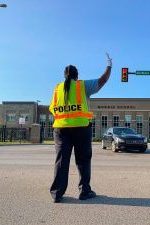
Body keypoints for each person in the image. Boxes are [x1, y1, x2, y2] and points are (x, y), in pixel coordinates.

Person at [49, 53, 112, 203]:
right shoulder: (82, 86)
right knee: (83, 160)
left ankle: (57, 193)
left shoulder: (57, 89)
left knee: (61, 160)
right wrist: (109, 66)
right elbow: (102, 80)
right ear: (77, 76)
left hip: (61, 129)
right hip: (81, 128)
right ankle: (84, 191)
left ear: (64, 76)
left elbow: (52, 108)